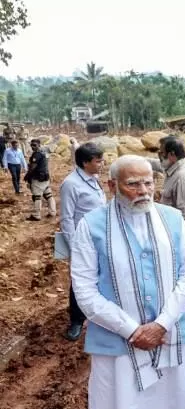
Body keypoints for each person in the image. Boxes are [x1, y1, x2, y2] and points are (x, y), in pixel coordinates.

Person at [70, 155, 185, 409]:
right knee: (123, 398)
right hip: (118, 337)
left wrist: (162, 323)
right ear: (112, 186)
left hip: (167, 330)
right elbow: (83, 289)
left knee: (172, 393)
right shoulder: (92, 225)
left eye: (148, 182)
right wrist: (131, 329)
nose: (144, 190)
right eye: (133, 184)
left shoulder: (172, 219)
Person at [60, 142, 107, 341]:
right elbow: (67, 218)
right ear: (86, 163)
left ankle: (98, 312)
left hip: (100, 236)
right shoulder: (71, 184)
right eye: (98, 161)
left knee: (102, 274)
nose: (102, 164)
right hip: (82, 241)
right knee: (80, 279)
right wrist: (74, 248)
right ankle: (77, 321)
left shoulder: (94, 178)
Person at [158, 136, 185, 234]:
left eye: (161, 153)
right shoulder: (174, 167)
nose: (159, 157)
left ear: (171, 154)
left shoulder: (182, 177)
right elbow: (157, 164)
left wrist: (182, 241)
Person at [23, 139, 56, 221]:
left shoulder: (37, 154)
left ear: (39, 145)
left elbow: (33, 167)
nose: (32, 146)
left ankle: (36, 215)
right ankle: (52, 212)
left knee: (37, 197)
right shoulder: (44, 153)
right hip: (45, 178)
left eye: (34, 145)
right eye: (31, 145)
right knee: (49, 195)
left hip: (38, 179)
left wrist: (27, 176)